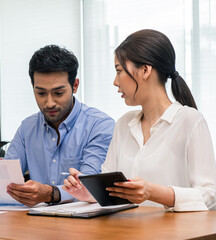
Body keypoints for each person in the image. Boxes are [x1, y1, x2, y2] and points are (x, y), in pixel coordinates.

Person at [63, 29, 216, 211]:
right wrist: (89, 193)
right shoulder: (123, 124)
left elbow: (209, 195)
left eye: (119, 71)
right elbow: (113, 190)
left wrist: (152, 192)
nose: (115, 81)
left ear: (145, 70)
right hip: (127, 232)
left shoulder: (190, 120)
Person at [5, 45, 115, 207]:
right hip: (34, 221)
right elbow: (5, 179)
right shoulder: (27, 128)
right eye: (41, 93)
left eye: (58, 93)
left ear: (75, 86)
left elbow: (90, 188)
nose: (49, 103)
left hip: (85, 225)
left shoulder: (99, 126)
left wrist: (51, 193)